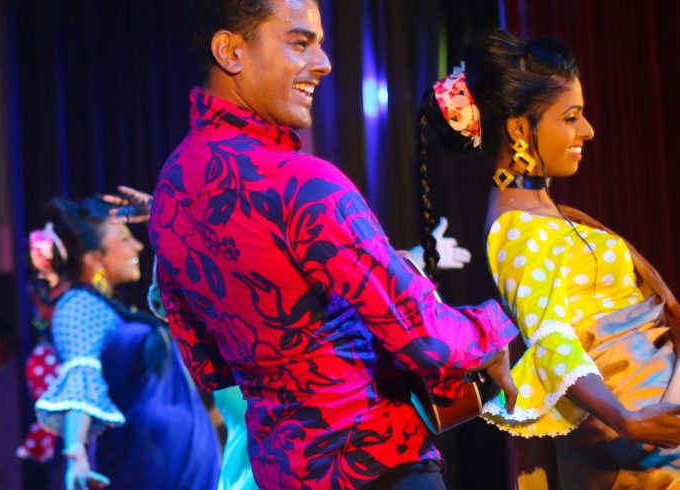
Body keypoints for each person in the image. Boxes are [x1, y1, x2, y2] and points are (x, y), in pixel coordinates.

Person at [149, 1, 522, 488]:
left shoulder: (170, 193)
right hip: (375, 459)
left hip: (281, 471)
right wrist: (493, 329)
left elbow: (208, 366)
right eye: (300, 43)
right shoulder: (300, 181)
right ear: (231, 51)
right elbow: (426, 340)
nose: (323, 63)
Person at [417, 28, 680, 488]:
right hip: (635, 444)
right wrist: (625, 419)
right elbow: (551, 338)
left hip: (654, 409)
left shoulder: (544, 215)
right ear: (520, 129)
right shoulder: (515, 229)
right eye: (571, 117)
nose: (587, 130)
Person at [30, 196, 220, 490]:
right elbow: (80, 373)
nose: (137, 246)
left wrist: (161, 212)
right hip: (141, 465)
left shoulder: (109, 309)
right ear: (94, 258)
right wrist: (75, 450)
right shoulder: (78, 304)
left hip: (170, 463)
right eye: (123, 238)